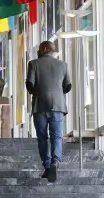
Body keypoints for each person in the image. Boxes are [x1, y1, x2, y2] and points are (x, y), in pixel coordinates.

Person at [26, 41, 72, 183]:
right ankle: (55, 162)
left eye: (39, 49)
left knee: (42, 137)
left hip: (40, 104)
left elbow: (29, 84)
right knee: (56, 136)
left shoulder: (34, 64)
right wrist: (58, 93)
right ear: (53, 51)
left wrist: (37, 93)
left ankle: (47, 166)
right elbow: (68, 85)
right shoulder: (63, 65)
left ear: (44, 49)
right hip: (57, 105)